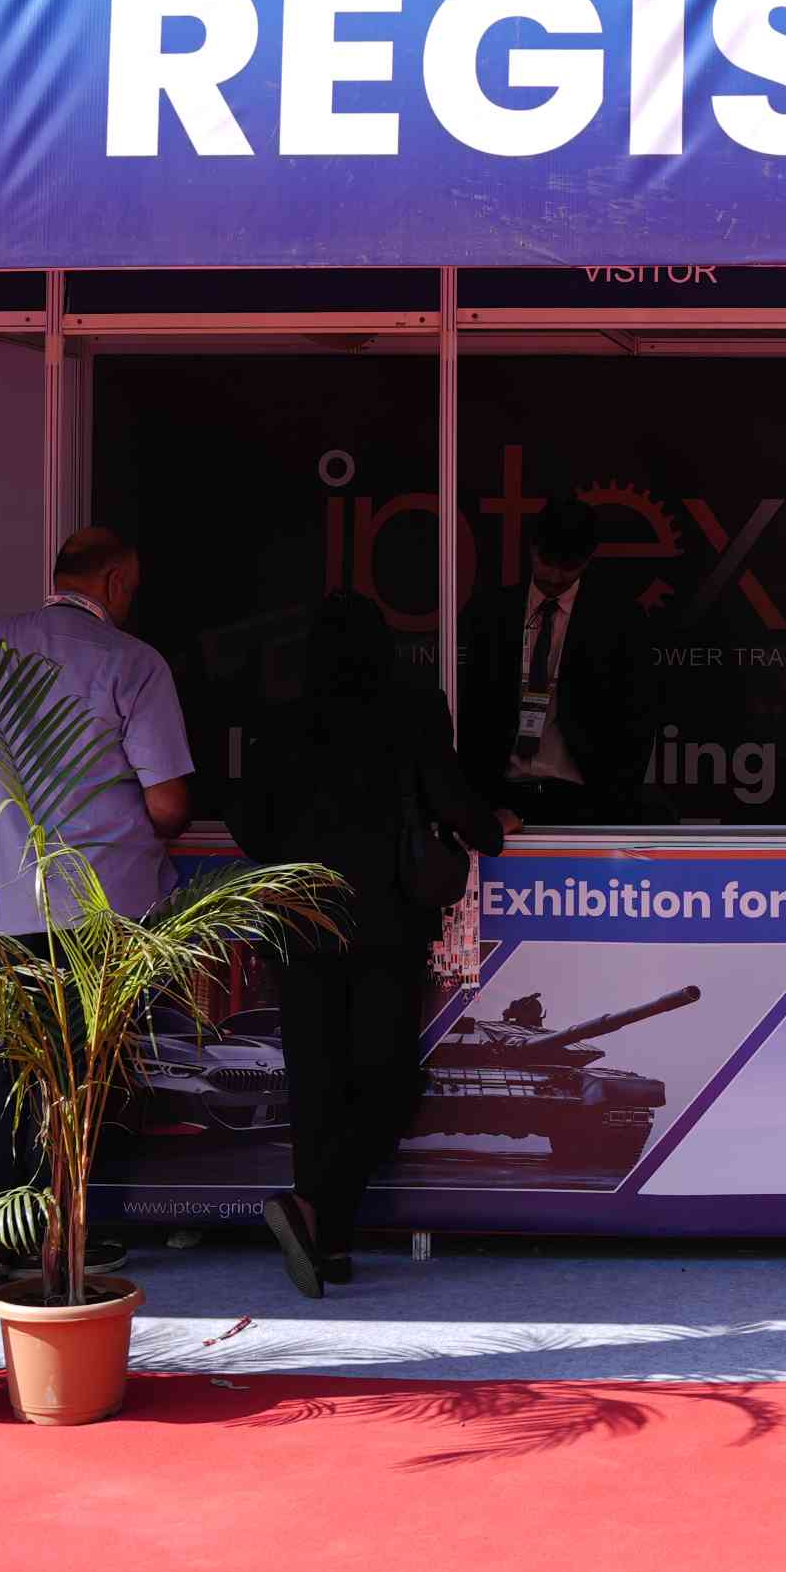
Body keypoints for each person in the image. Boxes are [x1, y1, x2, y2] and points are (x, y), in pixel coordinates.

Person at [229, 595, 501, 1296]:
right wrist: (494, 827)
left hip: (301, 924)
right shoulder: (415, 710)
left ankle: (322, 1229)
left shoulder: (282, 720)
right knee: (386, 1084)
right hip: (386, 929)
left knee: (317, 1087)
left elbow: (250, 827)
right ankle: (323, 1225)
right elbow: (457, 806)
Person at [0, 527, 195, 1284]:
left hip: (9, 895)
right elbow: (169, 805)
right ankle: (69, 1238)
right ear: (117, 582)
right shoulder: (132, 661)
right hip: (103, 901)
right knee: (88, 1068)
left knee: (14, 1058)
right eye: (134, 588)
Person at [458, 493, 655, 829]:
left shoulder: (620, 620)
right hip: (499, 797)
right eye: (547, 562)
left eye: (569, 567)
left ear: (588, 559)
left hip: (585, 802)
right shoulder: (490, 613)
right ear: (532, 549)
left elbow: (637, 718)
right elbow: (472, 709)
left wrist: (614, 800)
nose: (555, 576)